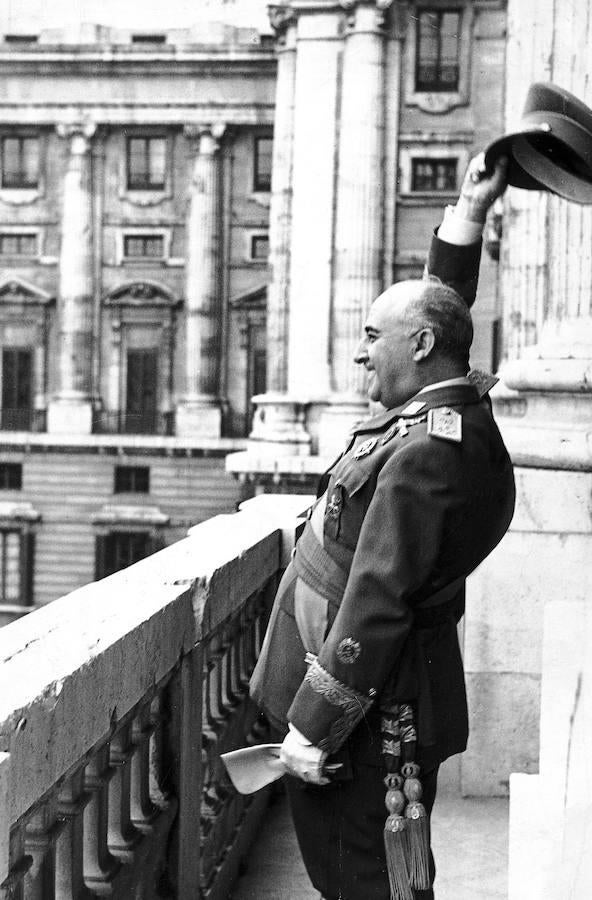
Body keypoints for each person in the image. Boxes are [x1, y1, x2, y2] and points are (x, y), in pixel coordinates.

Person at [248, 154, 515, 900]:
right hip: (390, 698)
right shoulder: (448, 407)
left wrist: (311, 727)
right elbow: (443, 309)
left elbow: (379, 594)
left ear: (420, 349)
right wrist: (469, 212)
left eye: (373, 336)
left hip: (370, 717)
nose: (361, 350)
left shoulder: (429, 450)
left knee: (359, 878)